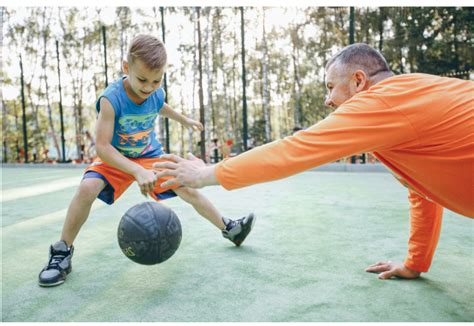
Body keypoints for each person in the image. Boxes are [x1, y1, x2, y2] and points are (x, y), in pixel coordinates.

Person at [153, 43, 473, 281]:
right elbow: (421, 191)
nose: (327, 99)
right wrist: (415, 263)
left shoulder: (384, 100)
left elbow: (295, 149)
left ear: (359, 81)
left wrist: (206, 173)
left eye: (331, 87)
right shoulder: (406, 103)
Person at [38, 35, 255, 287]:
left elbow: (159, 104)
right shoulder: (111, 99)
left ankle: (230, 228)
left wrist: (183, 119)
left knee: (185, 185)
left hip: (149, 155)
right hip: (116, 158)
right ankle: (62, 252)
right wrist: (135, 171)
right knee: (87, 188)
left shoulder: (154, 91)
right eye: (142, 79)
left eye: (156, 80)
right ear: (126, 68)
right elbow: (103, 147)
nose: (149, 86)